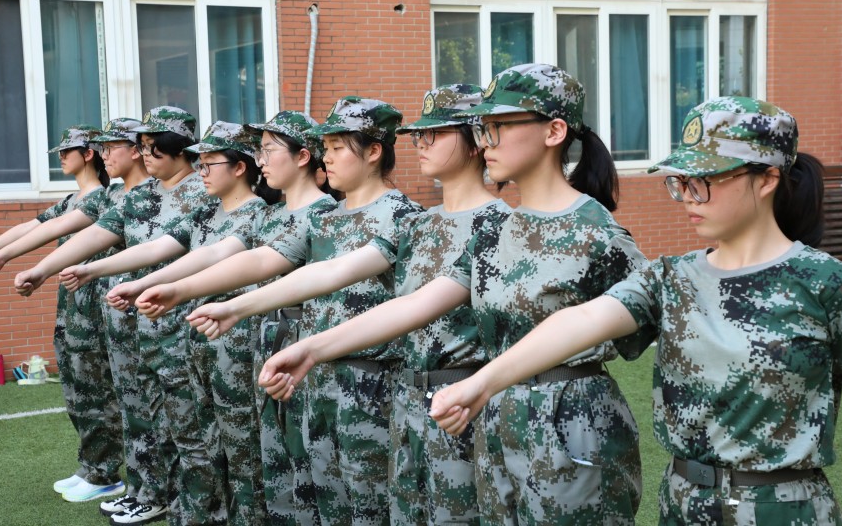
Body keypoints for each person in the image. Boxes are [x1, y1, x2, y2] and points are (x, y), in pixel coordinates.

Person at [429, 96, 842, 525]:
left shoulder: (828, 285)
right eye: (681, 181)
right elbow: (583, 319)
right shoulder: (669, 277)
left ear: (766, 179)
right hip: (682, 503)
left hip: (783, 509)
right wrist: (482, 383)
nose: (688, 195)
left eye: (703, 180)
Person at [252, 64, 646, 525]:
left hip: (571, 423)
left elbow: (640, 329)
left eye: (497, 127)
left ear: (554, 132)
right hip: (497, 420)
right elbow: (413, 305)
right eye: (482, 128)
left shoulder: (598, 234)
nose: (485, 141)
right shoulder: (494, 234)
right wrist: (311, 349)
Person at [187, 84, 510, 525]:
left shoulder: (485, 221)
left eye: (435, 134)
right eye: (419, 134)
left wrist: (236, 308)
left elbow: (359, 281)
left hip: (436, 389)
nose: (422, 143)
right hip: (391, 390)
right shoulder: (420, 223)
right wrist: (232, 306)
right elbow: (323, 271)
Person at [155, 97, 423, 525]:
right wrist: (182, 290)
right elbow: (264, 259)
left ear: (374, 151)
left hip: (371, 380)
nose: (326, 157)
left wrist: (232, 305)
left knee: (370, 504)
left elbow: (331, 272)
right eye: (325, 147)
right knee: (316, 496)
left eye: (337, 147)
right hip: (314, 374)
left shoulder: (403, 215)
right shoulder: (327, 218)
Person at [120, 111, 335, 525]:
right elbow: (219, 252)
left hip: (295, 352)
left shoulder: (322, 213)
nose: (261, 160)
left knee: (287, 465)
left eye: (268, 150)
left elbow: (255, 260)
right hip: (260, 347)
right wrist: (158, 284)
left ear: (303, 156)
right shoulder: (271, 215)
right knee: (256, 459)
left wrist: (178, 289)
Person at [13, 106, 223, 526]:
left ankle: (186, 501)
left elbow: (176, 252)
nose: (143, 154)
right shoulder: (142, 195)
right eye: (140, 146)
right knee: (137, 412)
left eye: (151, 146)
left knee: (185, 424)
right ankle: (147, 491)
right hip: (136, 324)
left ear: (177, 147)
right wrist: (42, 268)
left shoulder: (201, 194)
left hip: (182, 326)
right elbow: (97, 232)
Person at [59, 121, 276, 525]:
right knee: (195, 440)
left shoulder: (258, 214)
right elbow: (160, 248)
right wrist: (95, 271)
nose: (202, 171)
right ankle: (194, 512)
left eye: (209, 163)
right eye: (200, 163)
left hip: (234, 347)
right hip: (196, 343)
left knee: (241, 451)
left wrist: (157, 286)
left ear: (240, 167)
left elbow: (213, 256)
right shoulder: (207, 211)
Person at [0, 125, 126, 503]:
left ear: (88, 153)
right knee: (77, 392)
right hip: (72, 306)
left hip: (96, 305)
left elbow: (56, 230)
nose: (61, 157)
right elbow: (31, 227)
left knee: (97, 392)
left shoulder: (103, 197)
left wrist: (6, 258)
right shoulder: (73, 198)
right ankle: (91, 465)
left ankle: (105, 471)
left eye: (67, 151)